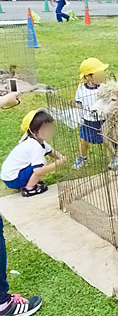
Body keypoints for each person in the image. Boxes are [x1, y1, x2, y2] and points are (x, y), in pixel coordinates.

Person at [0, 104, 44, 315]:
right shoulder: (34, 146)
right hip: (13, 178)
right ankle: (4, 304)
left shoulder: (34, 142)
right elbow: (39, 169)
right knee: (39, 168)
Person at [1, 109, 66, 197]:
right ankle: (29, 188)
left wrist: (61, 157)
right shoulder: (35, 146)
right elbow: (38, 171)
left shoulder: (37, 141)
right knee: (41, 164)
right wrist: (56, 164)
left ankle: (29, 182)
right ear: (34, 131)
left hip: (10, 176)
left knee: (40, 163)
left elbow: (50, 151)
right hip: (13, 179)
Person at [72, 58, 109, 170]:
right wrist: (79, 113)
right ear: (88, 77)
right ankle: (82, 158)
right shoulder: (82, 89)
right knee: (84, 140)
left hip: (102, 119)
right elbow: (78, 101)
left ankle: (115, 157)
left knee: (107, 140)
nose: (101, 77)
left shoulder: (103, 88)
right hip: (88, 120)